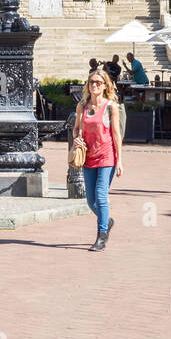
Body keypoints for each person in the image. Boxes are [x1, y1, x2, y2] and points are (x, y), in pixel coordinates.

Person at [73, 68, 123, 252]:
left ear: (105, 86)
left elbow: (116, 135)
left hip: (106, 155)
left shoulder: (111, 106)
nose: (94, 85)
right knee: (90, 201)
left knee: (101, 197)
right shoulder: (82, 106)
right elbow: (76, 128)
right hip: (88, 157)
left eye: (98, 83)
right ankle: (107, 220)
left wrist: (119, 160)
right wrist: (76, 138)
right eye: (92, 82)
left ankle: (101, 236)